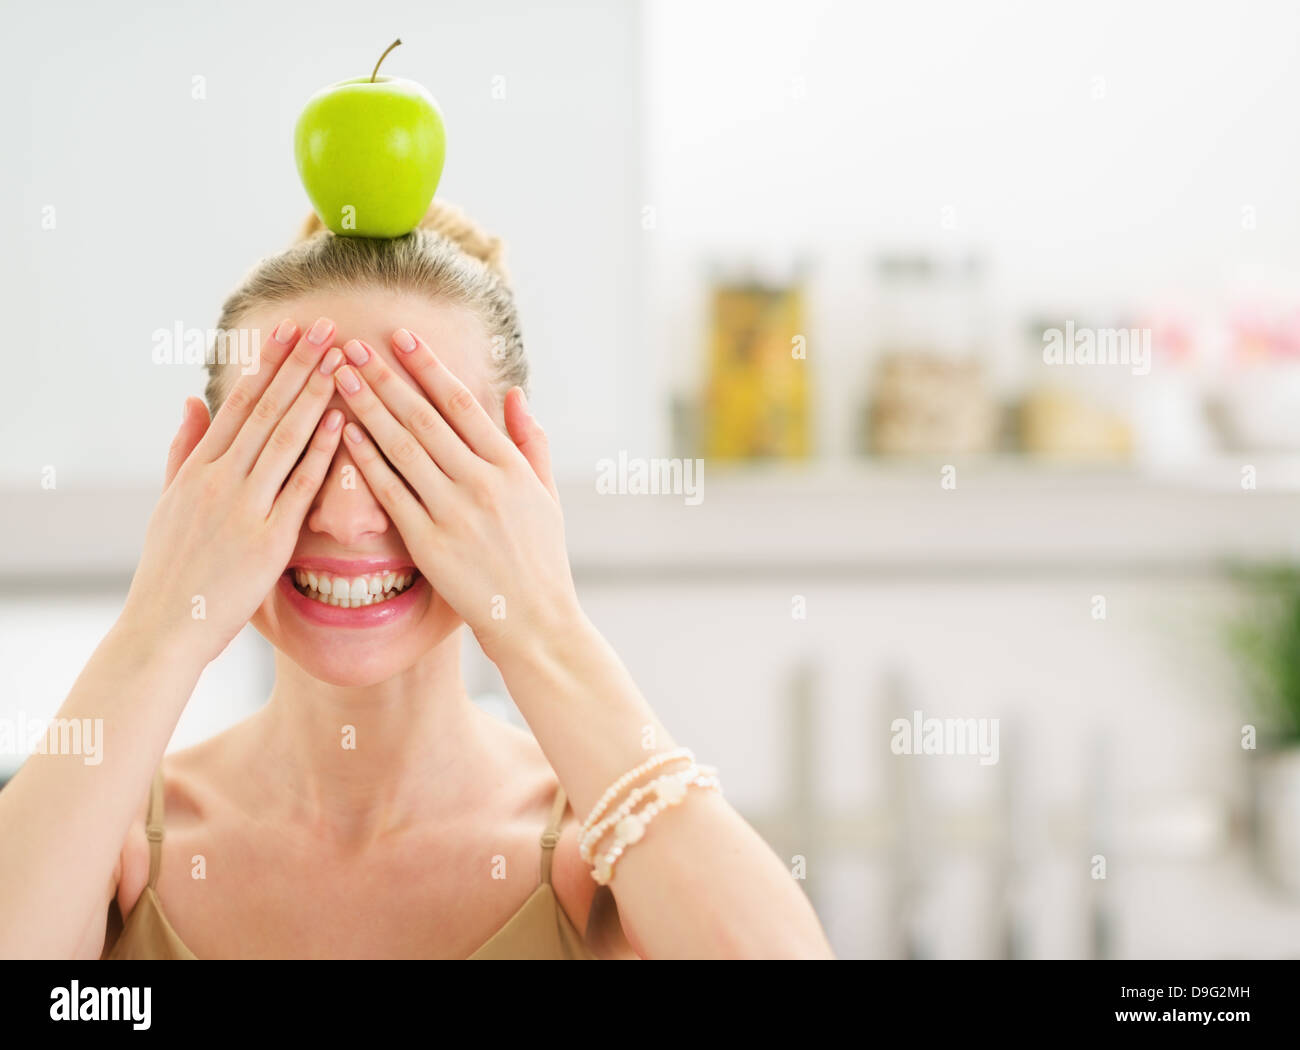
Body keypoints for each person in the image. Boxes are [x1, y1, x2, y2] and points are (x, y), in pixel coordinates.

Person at [0, 202, 834, 959]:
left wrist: (542, 624)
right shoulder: (106, 848)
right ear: (196, 478)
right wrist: (161, 622)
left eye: (415, 453)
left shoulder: (609, 861)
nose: (348, 515)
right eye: (291, 449)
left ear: (521, 490)